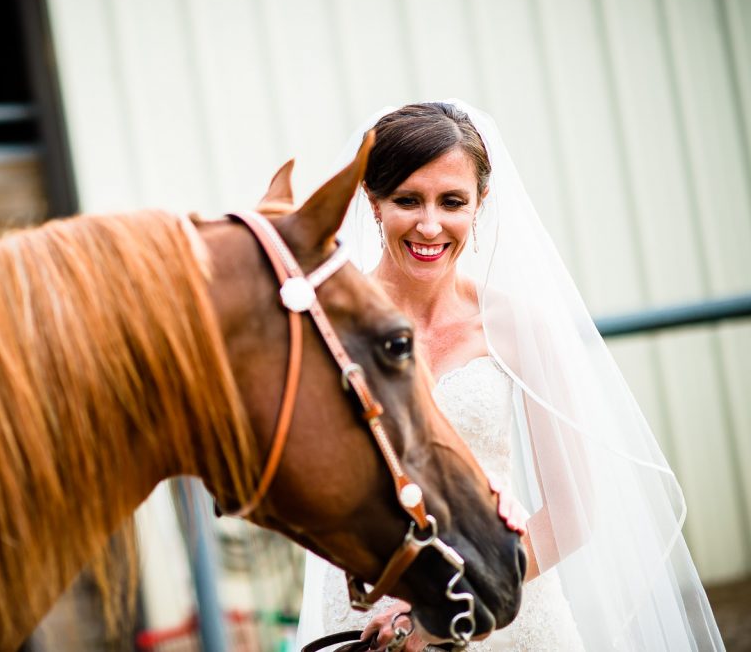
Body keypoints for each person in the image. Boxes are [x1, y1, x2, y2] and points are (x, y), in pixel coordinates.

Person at [296, 101, 724, 651]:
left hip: (505, 607)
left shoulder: (516, 327)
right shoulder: (327, 325)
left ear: (480, 204)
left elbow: (572, 512)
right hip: (372, 611)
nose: (430, 224)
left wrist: (449, 602)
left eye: (452, 201)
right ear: (374, 203)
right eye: (407, 200)